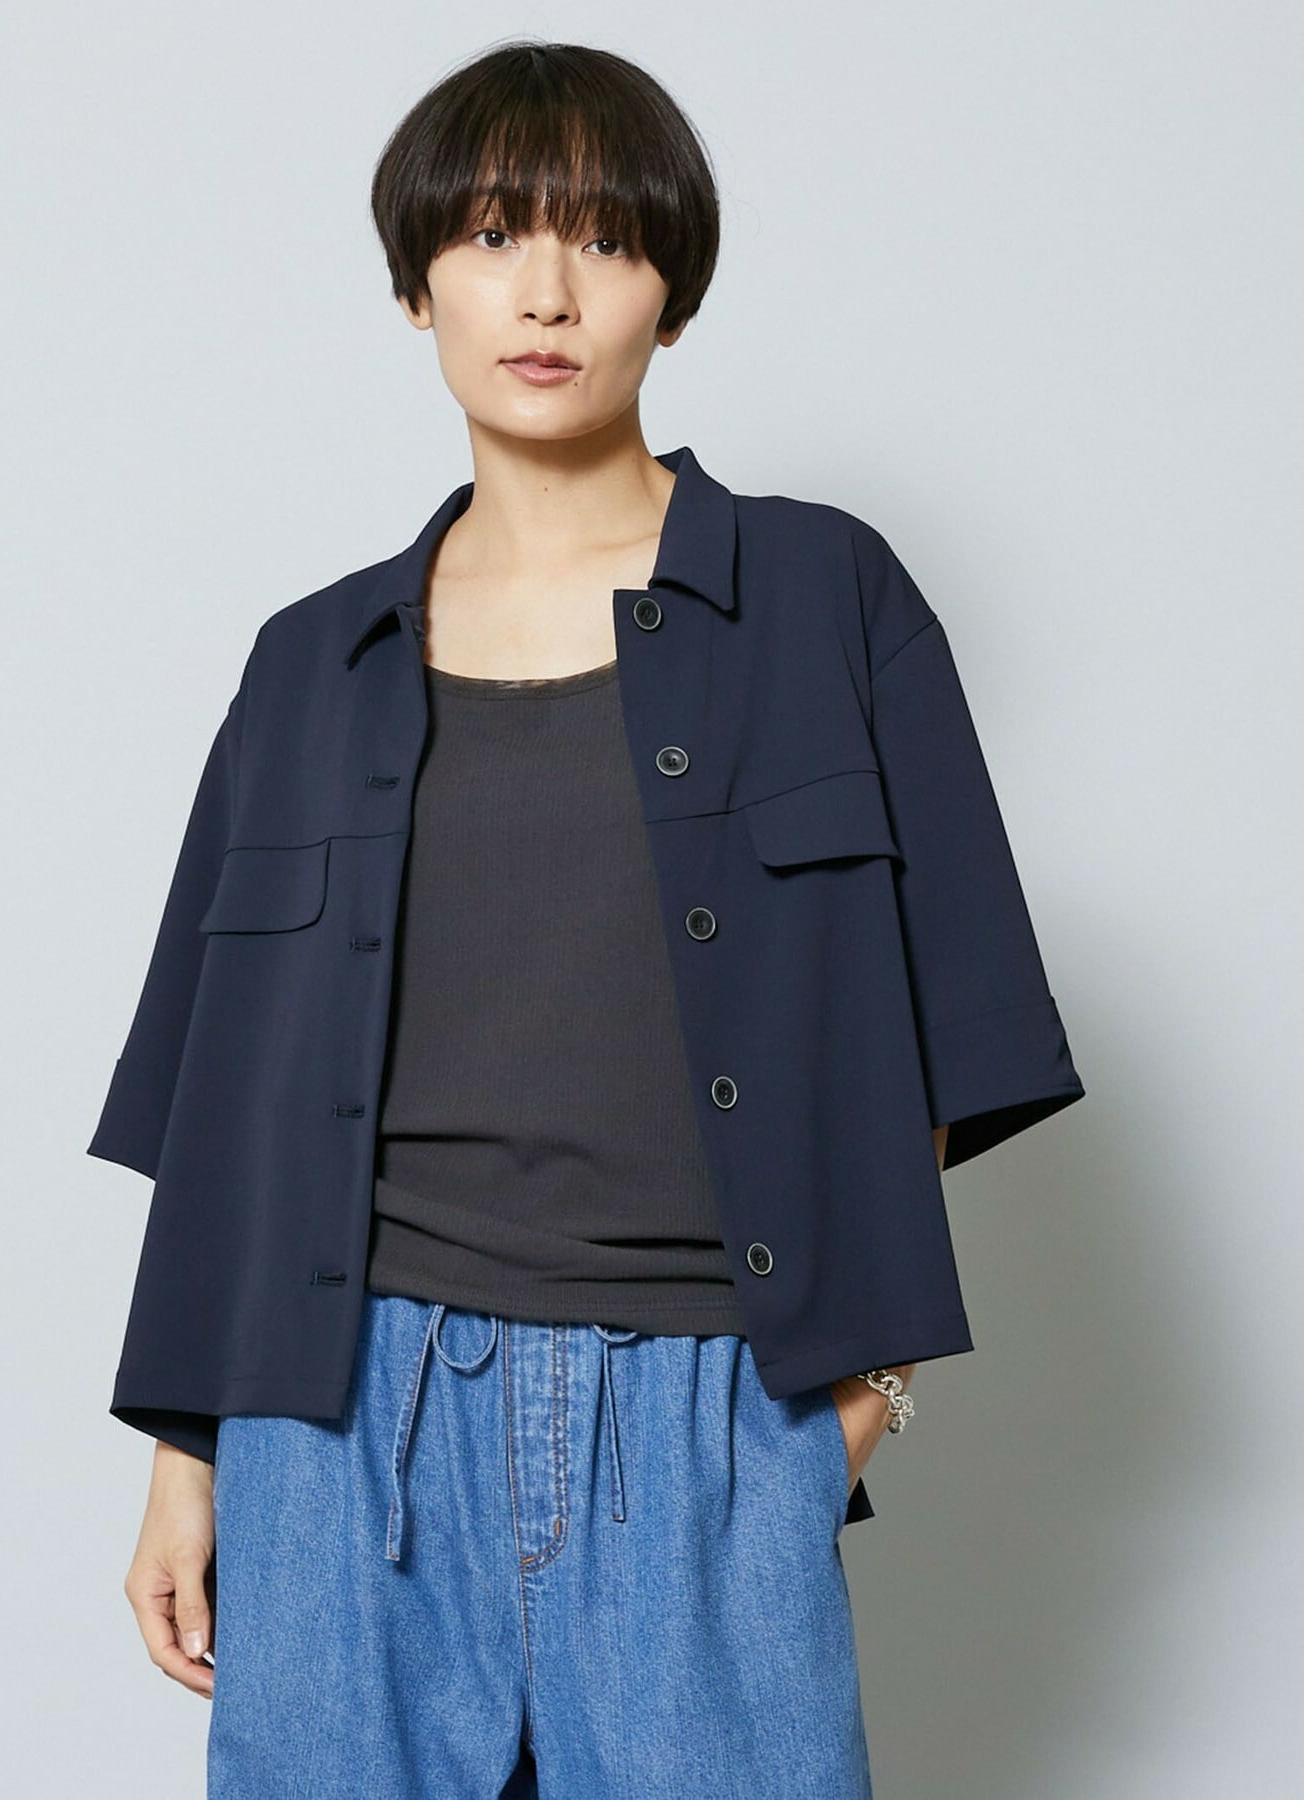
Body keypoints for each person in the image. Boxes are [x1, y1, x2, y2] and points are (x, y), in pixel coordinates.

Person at [88, 39, 1085, 1799]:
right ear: (418, 287)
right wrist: (188, 1453)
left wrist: (855, 1399)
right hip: (338, 1425)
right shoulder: (309, 664)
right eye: (490, 237)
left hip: (708, 1411)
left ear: (670, 292)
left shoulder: (826, 597)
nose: (544, 292)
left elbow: (950, 1021)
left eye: (603, 241)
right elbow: (224, 1102)